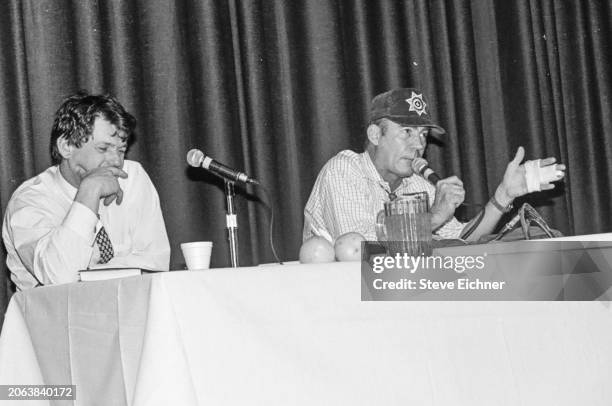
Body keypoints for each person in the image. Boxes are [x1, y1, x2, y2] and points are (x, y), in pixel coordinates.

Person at [303, 87, 566, 242]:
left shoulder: (417, 183)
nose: (418, 145)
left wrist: (503, 195)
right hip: (339, 306)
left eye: (423, 135)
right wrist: (435, 216)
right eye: (407, 132)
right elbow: (360, 248)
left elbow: (462, 240)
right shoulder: (344, 169)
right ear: (375, 135)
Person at [2, 92, 170, 290]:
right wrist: (88, 193)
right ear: (66, 147)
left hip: (129, 311)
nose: (116, 161)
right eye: (103, 148)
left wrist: (88, 273)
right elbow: (60, 279)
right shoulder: (29, 201)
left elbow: (155, 267)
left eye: (121, 149)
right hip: (55, 318)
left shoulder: (132, 178)